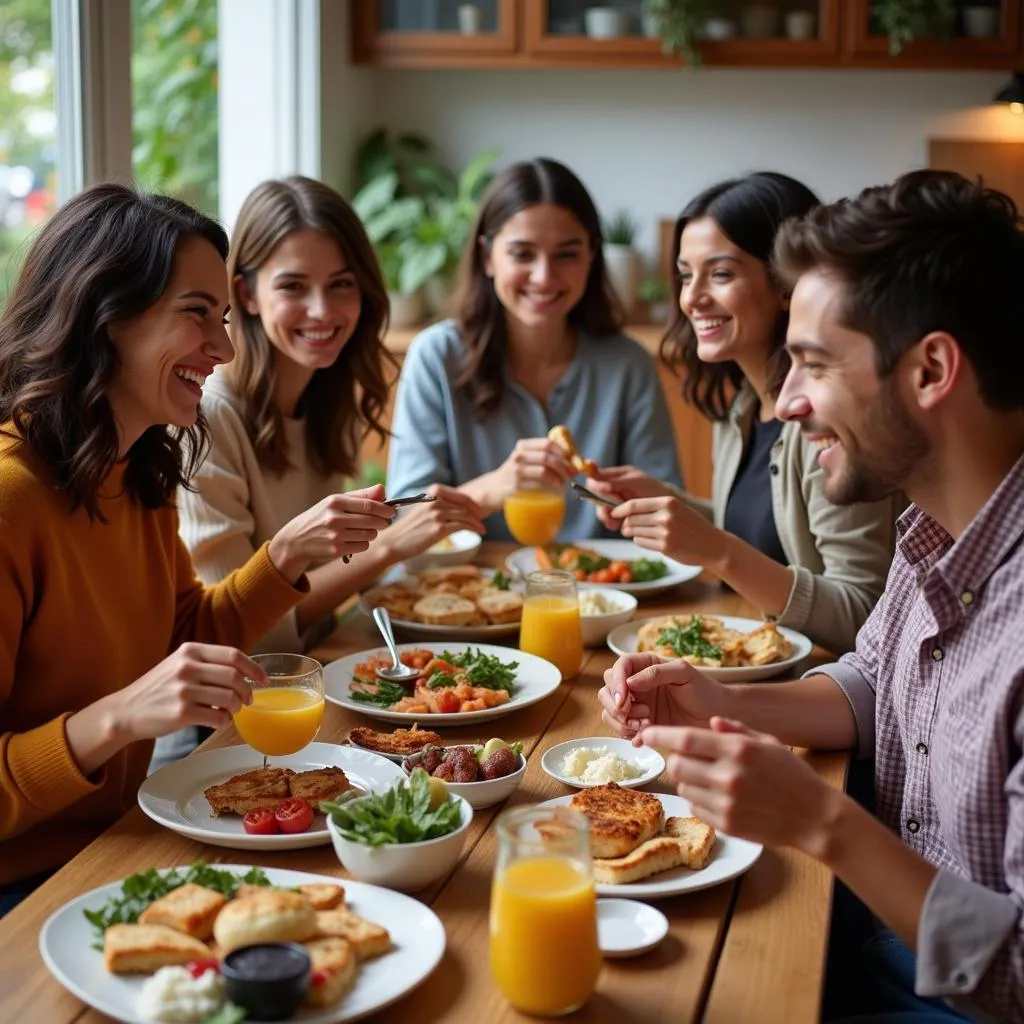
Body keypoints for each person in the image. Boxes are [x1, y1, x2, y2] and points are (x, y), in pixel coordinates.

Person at [599, 170, 1024, 1022]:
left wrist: (823, 823)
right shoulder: (935, 528)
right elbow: (875, 677)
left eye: (815, 365)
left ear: (932, 369)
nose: (786, 402)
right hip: (866, 937)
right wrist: (723, 703)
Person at [0, 183, 394, 915]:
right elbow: (136, 702)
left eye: (221, 316)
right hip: (26, 888)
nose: (222, 346)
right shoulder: (11, 500)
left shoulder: (136, 471)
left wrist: (283, 559)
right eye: (196, 315)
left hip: (121, 846)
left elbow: (188, 638)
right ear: (106, 316)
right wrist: (116, 718)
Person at [587, 172, 902, 654]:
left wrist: (714, 548)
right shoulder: (741, 407)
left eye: (720, 273)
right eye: (685, 275)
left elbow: (867, 612)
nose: (691, 298)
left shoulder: (826, 424)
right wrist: (671, 506)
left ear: (786, 285)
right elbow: (766, 534)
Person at [177, 176, 484, 655]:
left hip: (316, 669)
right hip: (232, 711)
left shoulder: (327, 396)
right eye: (294, 286)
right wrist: (390, 547)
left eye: (341, 284)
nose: (322, 311)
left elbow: (320, 581)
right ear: (248, 294)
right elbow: (249, 636)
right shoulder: (209, 417)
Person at [385, 157, 683, 542]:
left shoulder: (629, 364)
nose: (544, 276)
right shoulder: (436, 356)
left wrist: (635, 505)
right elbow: (403, 522)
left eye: (566, 254)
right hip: (466, 589)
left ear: (592, 257)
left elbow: (667, 517)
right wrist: (494, 489)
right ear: (487, 257)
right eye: (522, 254)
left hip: (601, 593)